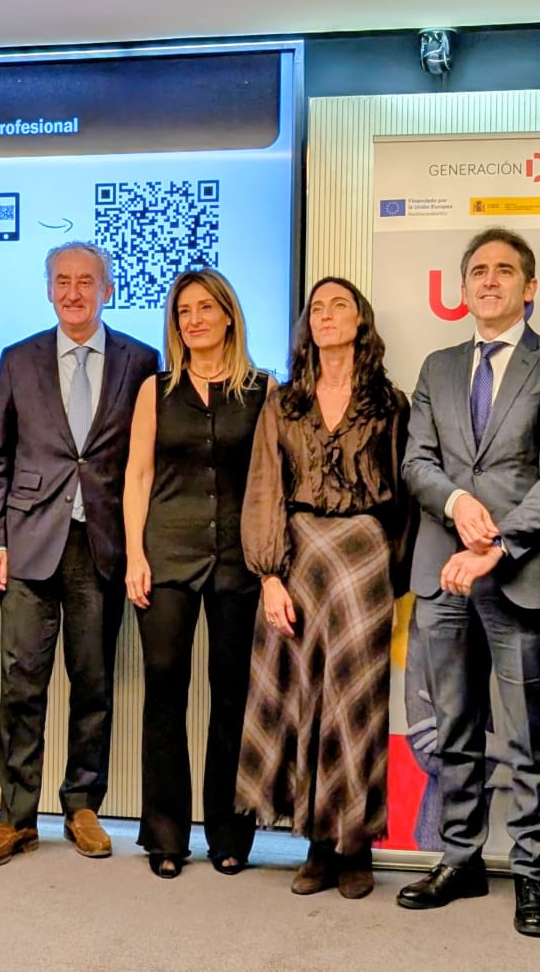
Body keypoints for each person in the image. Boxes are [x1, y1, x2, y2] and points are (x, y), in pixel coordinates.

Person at [398, 228, 540, 935]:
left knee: (528, 736)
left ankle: (533, 874)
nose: (489, 280)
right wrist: (456, 503)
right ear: (463, 288)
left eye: (504, 270)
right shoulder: (438, 366)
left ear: (529, 287)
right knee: (454, 726)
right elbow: (417, 462)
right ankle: (460, 858)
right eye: (477, 271)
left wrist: (499, 542)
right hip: (442, 571)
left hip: (523, 573)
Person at [0, 241, 158, 867]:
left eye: (86, 281)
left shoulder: (141, 361)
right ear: (48, 289)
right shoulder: (17, 358)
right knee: (21, 684)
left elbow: (145, 462)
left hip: (101, 543)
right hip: (28, 541)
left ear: (108, 289)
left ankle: (82, 806)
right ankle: (15, 817)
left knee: (92, 682)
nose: (73, 292)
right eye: (62, 281)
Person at [234, 276, 411, 899]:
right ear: (307, 325)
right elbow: (264, 488)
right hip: (299, 558)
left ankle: (355, 844)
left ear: (361, 320)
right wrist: (269, 576)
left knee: (357, 703)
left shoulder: (390, 403)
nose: (327, 315)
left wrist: (395, 577)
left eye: (340, 305)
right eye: (317, 307)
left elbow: (405, 495)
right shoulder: (283, 403)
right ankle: (314, 842)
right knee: (304, 698)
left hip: (365, 559)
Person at [122, 269, 270, 879]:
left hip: (238, 559)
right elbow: (136, 476)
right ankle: (165, 837)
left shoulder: (264, 389)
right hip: (165, 555)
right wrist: (135, 555)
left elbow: (269, 482)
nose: (194, 320)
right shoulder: (155, 390)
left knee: (232, 693)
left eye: (206, 308)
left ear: (229, 316)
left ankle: (229, 833)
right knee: (164, 690)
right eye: (184, 311)